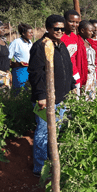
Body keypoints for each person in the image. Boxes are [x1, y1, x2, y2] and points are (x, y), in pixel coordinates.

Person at [28, 15, 75, 177]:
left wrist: (72, 85)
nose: (60, 31)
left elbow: (66, 68)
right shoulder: (40, 47)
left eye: (62, 29)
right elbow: (35, 73)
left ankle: (51, 162)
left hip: (61, 97)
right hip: (46, 99)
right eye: (56, 29)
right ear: (48, 28)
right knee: (43, 132)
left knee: (57, 130)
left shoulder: (60, 45)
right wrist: (41, 96)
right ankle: (39, 169)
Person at [61, 10, 86, 93]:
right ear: (64, 21)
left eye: (77, 22)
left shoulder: (74, 37)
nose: (74, 25)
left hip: (74, 73)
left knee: (75, 100)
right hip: (62, 74)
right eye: (71, 22)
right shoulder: (59, 37)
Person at [8, 23, 34, 93]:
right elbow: (8, 59)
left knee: (28, 90)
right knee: (19, 90)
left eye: (32, 33)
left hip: (29, 69)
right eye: (30, 33)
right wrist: (17, 64)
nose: (32, 34)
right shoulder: (16, 43)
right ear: (23, 33)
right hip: (20, 70)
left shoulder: (30, 43)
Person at [77, 20, 97, 100]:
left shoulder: (87, 42)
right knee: (84, 97)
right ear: (82, 30)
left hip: (91, 75)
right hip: (85, 74)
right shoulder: (78, 43)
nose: (92, 33)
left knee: (91, 97)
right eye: (90, 31)